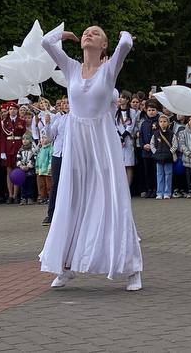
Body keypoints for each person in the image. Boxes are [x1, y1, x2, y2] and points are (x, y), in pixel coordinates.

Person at [40, 25, 142, 291]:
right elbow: (46, 43)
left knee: (113, 199)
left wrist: (123, 35)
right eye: (86, 32)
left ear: (104, 45)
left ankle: (132, 268)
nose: (88, 34)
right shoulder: (71, 68)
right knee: (71, 199)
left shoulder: (109, 70)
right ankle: (66, 266)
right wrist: (63, 36)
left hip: (102, 142)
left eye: (95, 33)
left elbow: (126, 45)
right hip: (77, 144)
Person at [42, 98, 68, 226]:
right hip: (58, 154)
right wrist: (47, 124)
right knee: (55, 184)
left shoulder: (76, 118)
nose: (65, 105)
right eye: (63, 103)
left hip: (71, 155)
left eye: (67, 103)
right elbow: (51, 136)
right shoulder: (58, 118)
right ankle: (51, 214)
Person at [0, 101, 26, 204]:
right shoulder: (4, 122)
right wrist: (2, 151)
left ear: (17, 110)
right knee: (9, 171)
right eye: (10, 109)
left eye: (14, 109)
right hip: (8, 147)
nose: (12, 111)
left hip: (18, 146)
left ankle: (16, 194)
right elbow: (2, 138)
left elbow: (24, 135)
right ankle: (10, 195)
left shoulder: (21, 121)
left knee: (17, 171)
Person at [151, 114, 175, 200]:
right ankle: (159, 192)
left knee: (168, 175)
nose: (162, 123)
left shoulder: (172, 134)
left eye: (165, 121)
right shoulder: (156, 134)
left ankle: (167, 192)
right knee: (159, 175)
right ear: (158, 123)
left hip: (168, 158)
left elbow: (175, 145)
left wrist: (170, 152)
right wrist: (155, 152)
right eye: (161, 121)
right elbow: (152, 144)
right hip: (158, 158)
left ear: (168, 123)